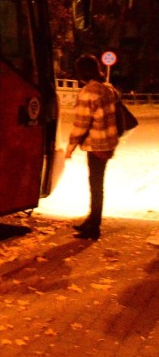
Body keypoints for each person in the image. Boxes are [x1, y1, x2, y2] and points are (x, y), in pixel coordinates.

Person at [65, 54, 119, 240]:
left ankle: (94, 226)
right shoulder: (108, 89)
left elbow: (81, 123)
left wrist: (70, 147)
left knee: (95, 186)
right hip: (108, 144)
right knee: (97, 185)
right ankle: (92, 220)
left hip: (96, 145)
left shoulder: (88, 92)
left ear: (82, 72)